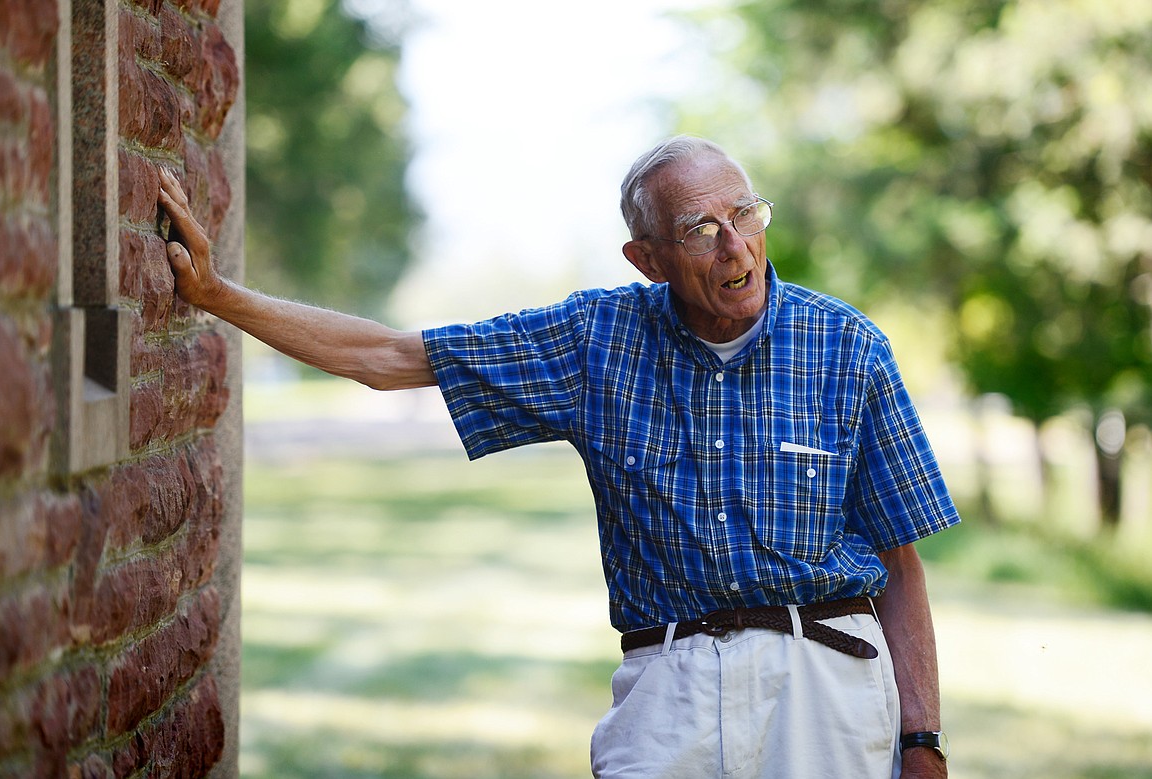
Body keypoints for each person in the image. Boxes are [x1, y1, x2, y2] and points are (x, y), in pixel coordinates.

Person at [158, 135, 959, 778]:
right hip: (670, 686)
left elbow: (901, 559)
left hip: (826, 683)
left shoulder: (848, 348)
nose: (733, 247)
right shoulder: (593, 342)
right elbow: (391, 357)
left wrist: (921, 739)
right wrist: (219, 295)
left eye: (744, 214)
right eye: (698, 230)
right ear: (646, 260)